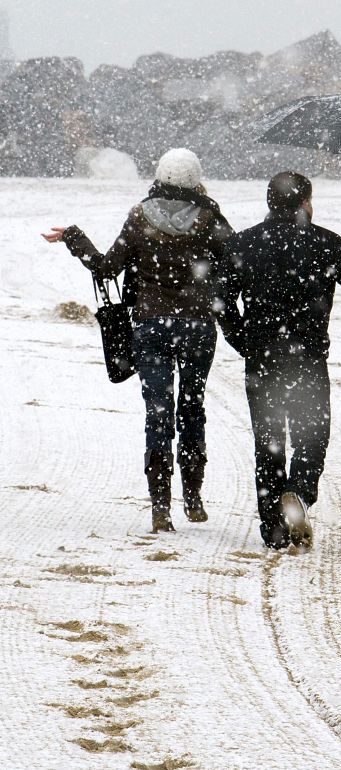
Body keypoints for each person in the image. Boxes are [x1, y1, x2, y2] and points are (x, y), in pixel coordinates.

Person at [42, 148, 233, 533]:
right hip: (197, 327)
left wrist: (75, 238)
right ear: (196, 180)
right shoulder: (211, 218)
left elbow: (106, 267)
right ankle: (193, 496)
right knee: (192, 406)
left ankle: (160, 506)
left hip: (150, 326)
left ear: (160, 178)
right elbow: (235, 263)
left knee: (157, 412)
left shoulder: (139, 216)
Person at [215, 171, 341, 549]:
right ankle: (299, 493)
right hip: (308, 358)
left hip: (263, 357)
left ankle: (273, 528)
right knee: (311, 436)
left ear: (270, 202)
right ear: (305, 203)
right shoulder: (326, 243)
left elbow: (220, 299)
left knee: (268, 441)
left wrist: (243, 341)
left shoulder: (244, 243)